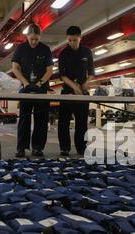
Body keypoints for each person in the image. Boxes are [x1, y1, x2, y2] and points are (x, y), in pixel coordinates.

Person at [12, 23, 54, 158]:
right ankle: (21, 148)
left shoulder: (45, 49)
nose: (34, 42)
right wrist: (25, 83)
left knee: (41, 119)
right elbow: (15, 68)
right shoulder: (20, 49)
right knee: (24, 119)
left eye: (37, 39)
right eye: (32, 39)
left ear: (40, 37)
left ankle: (38, 148)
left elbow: (49, 70)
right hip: (25, 88)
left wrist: (41, 82)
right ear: (27, 36)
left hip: (41, 88)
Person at [58, 26, 95, 157]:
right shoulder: (63, 54)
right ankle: (65, 147)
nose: (72, 43)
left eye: (74, 40)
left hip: (82, 93)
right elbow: (62, 76)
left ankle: (81, 147)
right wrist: (74, 87)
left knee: (81, 121)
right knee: (64, 121)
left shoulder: (87, 52)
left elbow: (91, 72)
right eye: (69, 40)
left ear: (80, 38)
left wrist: (85, 83)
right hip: (67, 91)